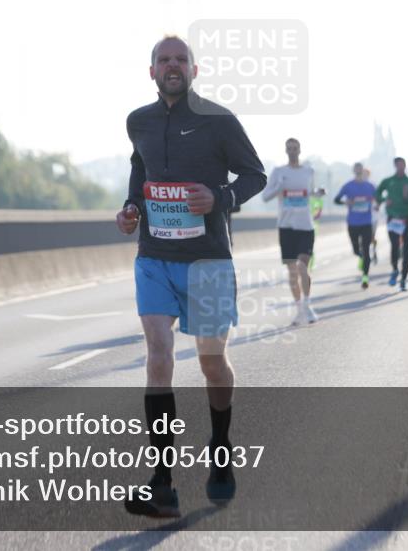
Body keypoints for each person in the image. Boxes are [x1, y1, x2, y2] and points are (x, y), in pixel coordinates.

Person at [117, 35, 266, 517]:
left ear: (194, 70)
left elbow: (255, 175)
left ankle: (220, 450)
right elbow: (139, 169)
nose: (173, 65)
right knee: (158, 357)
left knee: (211, 363)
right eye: (164, 59)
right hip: (154, 257)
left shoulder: (218, 121)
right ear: (152, 71)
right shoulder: (138, 121)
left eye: (181, 59)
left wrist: (219, 198)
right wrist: (131, 207)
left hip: (208, 262)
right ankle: (163, 483)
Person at [262, 138, 318, 325]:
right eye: (289, 148)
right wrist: (279, 187)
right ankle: (299, 309)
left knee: (302, 267)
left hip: (306, 226)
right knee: (292, 271)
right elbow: (265, 197)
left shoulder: (309, 171)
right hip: (286, 227)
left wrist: (318, 192)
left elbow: (311, 191)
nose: (292, 151)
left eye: (295, 148)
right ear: (286, 151)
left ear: (300, 150)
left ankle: (307, 305)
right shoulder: (278, 172)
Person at [374, 157, 408, 292]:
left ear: (405, 165)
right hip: (393, 219)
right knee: (394, 246)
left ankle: (404, 279)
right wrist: (384, 200)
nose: (400, 167)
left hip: (407, 219)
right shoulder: (388, 181)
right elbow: (377, 193)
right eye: (398, 165)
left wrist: (407, 198)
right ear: (395, 166)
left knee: (407, 250)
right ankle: (395, 269)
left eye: (402, 165)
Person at [334, 162, 376, 289]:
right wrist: (345, 202)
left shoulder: (370, 186)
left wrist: (377, 203)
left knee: (366, 249)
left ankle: (365, 277)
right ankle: (362, 257)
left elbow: (379, 197)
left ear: (363, 170)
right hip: (353, 223)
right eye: (356, 169)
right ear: (353, 170)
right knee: (356, 250)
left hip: (366, 223)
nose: (358, 171)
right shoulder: (348, 186)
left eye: (360, 169)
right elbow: (336, 200)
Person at [364, 168, 379, 265]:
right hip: (362, 218)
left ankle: (373, 251)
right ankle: (366, 256)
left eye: (366, 174)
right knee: (364, 238)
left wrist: (377, 205)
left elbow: (378, 198)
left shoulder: (373, 186)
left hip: (373, 217)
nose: (365, 176)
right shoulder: (358, 186)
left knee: (372, 237)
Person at [308, 187, 326, 270]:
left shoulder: (320, 202)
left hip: (313, 226)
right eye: (320, 193)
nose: (320, 195)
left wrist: (311, 219)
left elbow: (318, 214)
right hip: (304, 224)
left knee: (310, 245)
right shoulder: (309, 199)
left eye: (322, 194)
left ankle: (310, 265)